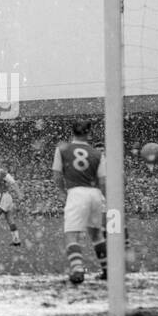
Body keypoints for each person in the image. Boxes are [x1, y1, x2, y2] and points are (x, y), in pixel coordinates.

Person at [51, 119, 107, 284]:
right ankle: (107, 270)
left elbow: (57, 175)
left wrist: (63, 192)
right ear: (88, 134)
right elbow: (103, 180)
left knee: (71, 235)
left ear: (72, 132)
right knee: (96, 234)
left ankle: (77, 270)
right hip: (95, 194)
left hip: (76, 192)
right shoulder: (97, 153)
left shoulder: (63, 149)